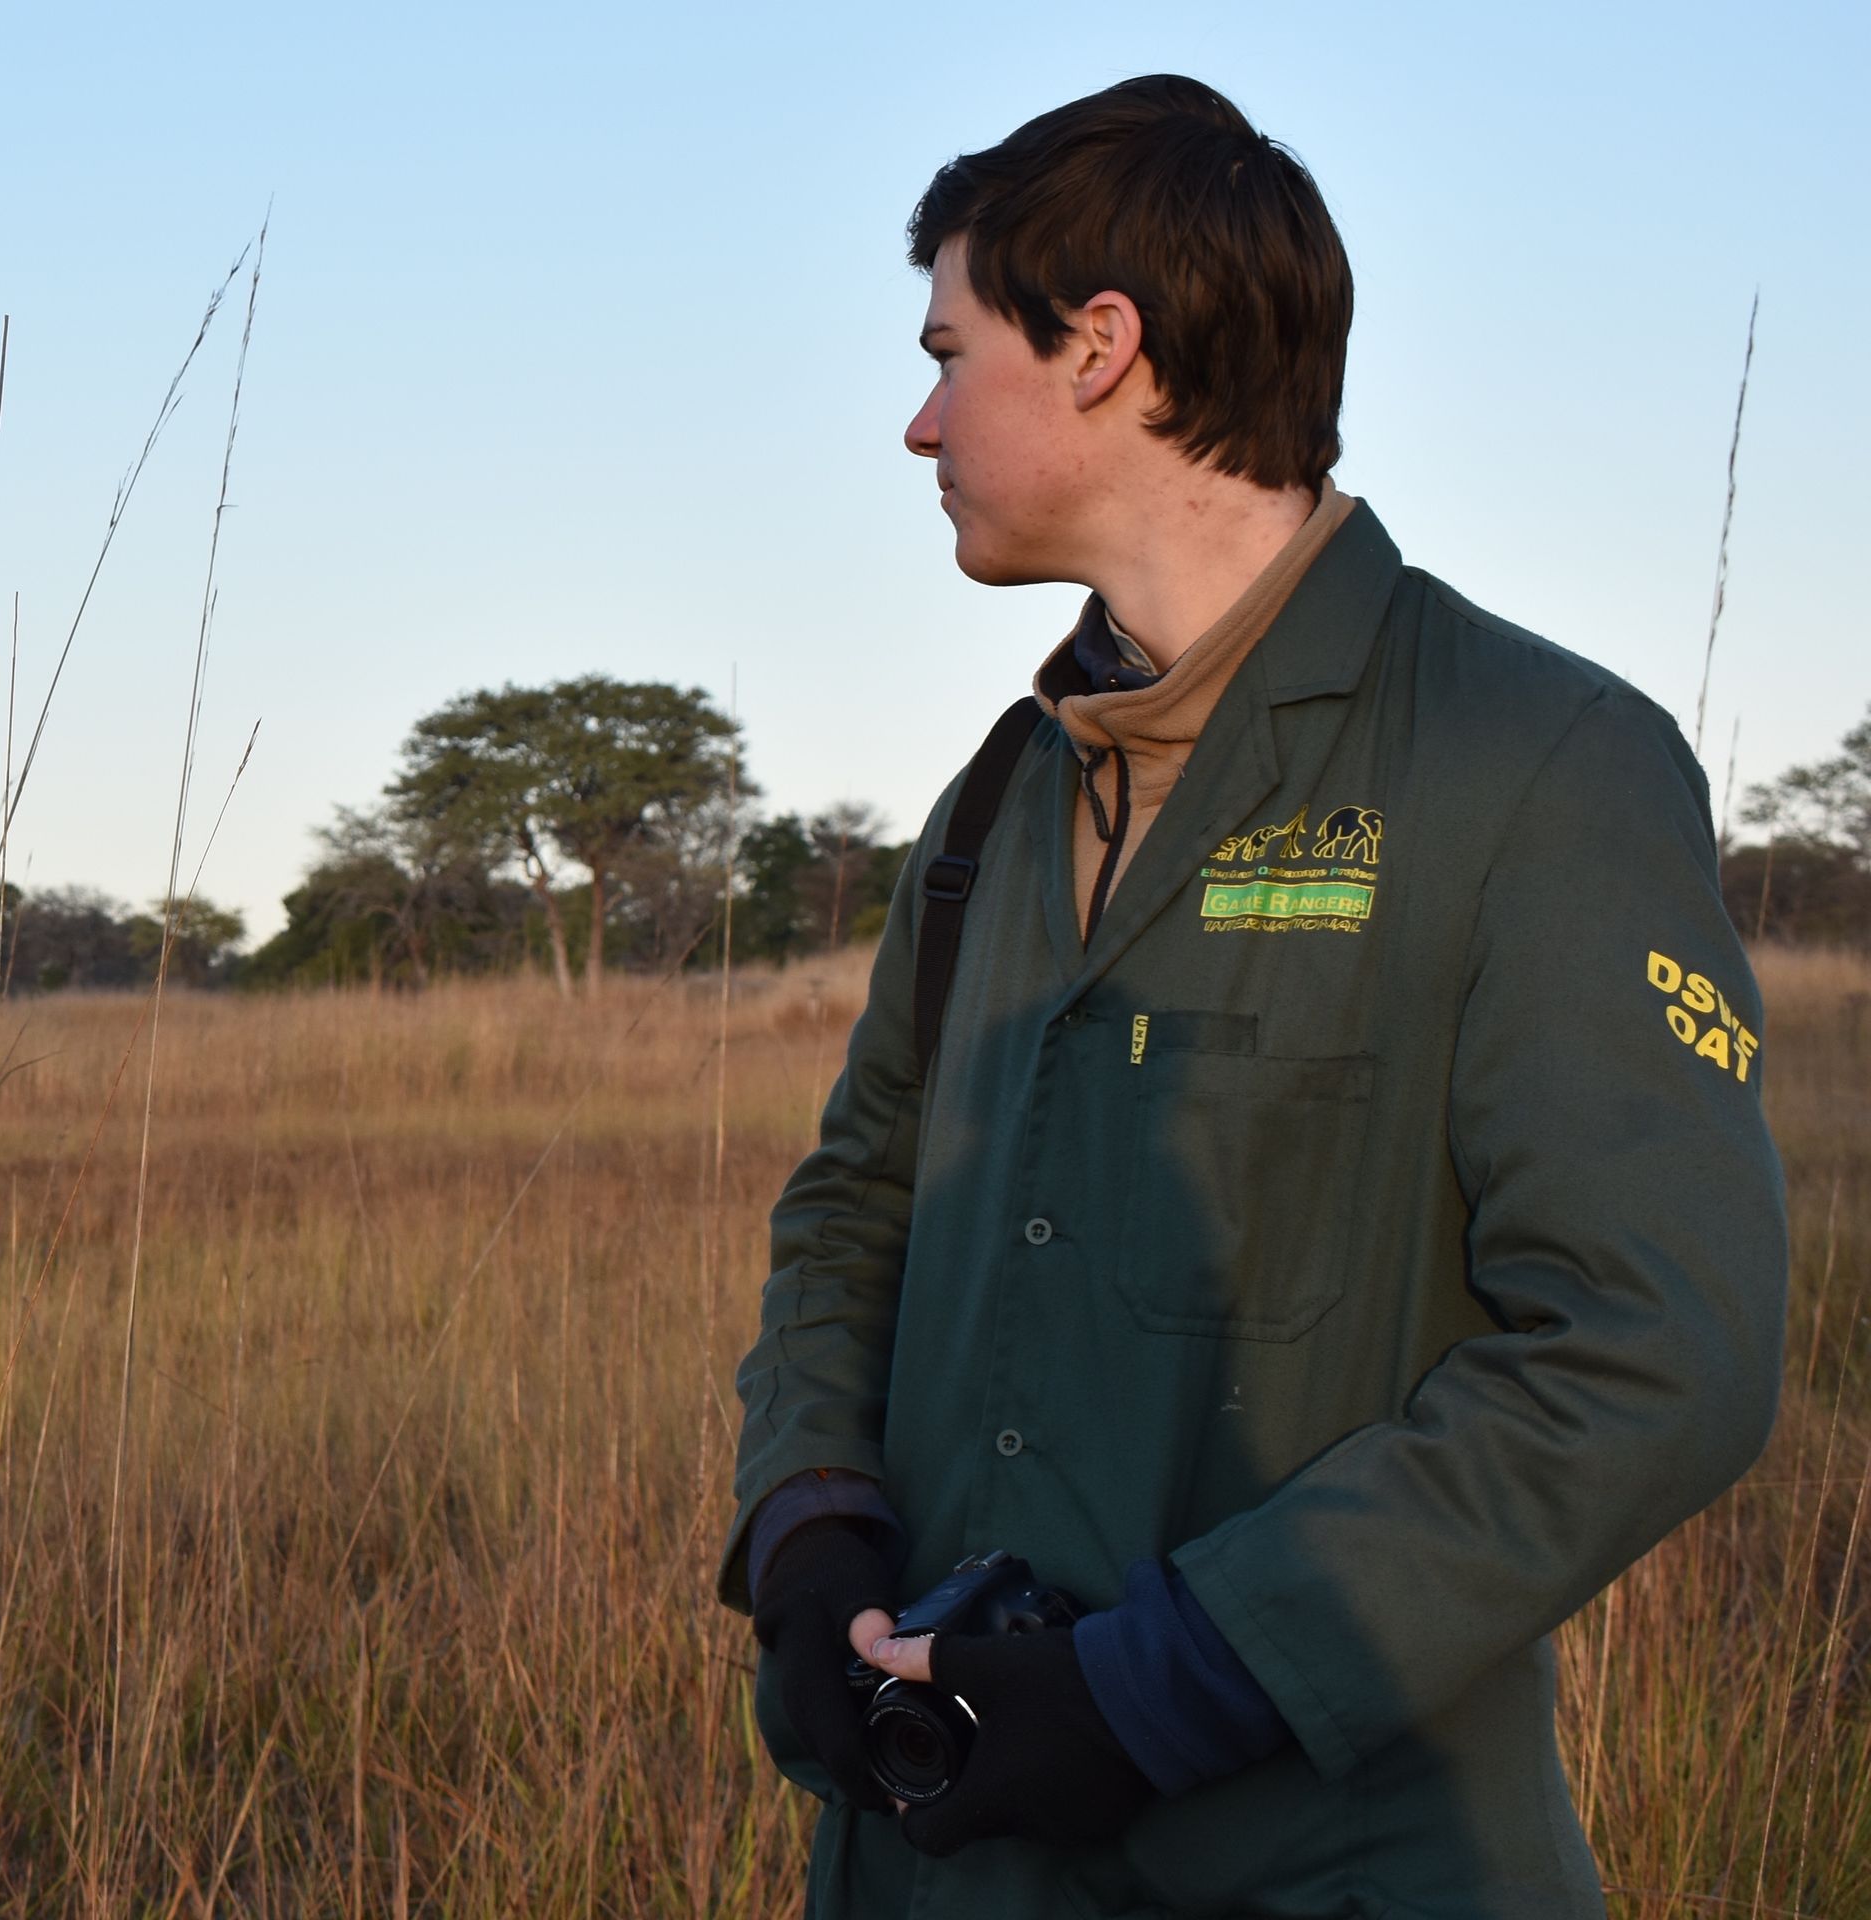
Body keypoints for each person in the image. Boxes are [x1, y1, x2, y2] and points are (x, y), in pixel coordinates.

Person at [723, 74, 1787, 1917]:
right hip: (936, 1863)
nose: (917, 421)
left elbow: (1654, 1352)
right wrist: (812, 1533)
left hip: (1332, 1868)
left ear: (1101, 349)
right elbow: (852, 1209)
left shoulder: (1536, 763)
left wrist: (1172, 1683)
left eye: (949, 348)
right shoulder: (1000, 800)